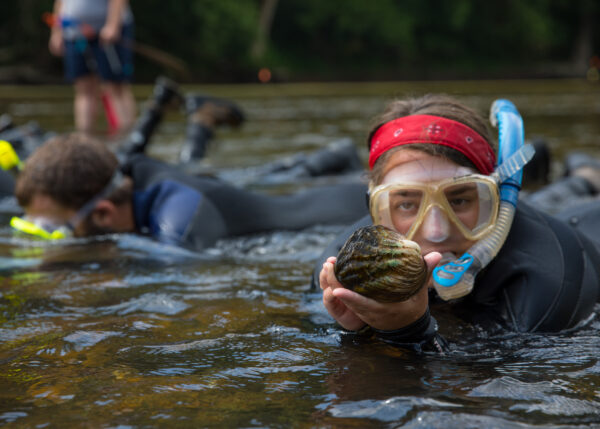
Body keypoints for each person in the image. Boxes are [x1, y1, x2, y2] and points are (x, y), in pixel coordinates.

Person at [315, 94, 600, 352]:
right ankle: (582, 179)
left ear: (496, 200)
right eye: (406, 204)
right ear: (376, 210)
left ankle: (587, 177)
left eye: (460, 200)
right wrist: (359, 329)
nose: (436, 232)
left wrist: (406, 332)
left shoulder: (546, 280)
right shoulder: (343, 259)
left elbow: (489, 381)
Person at [11, 128, 369, 248]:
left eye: (50, 230)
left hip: (354, 212)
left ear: (103, 213)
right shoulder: (132, 176)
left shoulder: (180, 220)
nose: (43, 242)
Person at [48, 0, 136, 134]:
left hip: (106, 32)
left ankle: (127, 139)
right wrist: (56, 32)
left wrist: (113, 25)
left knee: (116, 87)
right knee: (83, 88)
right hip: (74, 33)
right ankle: (85, 139)